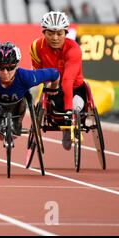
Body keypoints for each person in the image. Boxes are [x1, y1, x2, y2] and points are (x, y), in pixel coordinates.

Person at [0, 42, 60, 139]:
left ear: (17, 65)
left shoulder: (27, 77)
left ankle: (15, 125)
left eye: (10, 68)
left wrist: (54, 87)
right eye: (1, 67)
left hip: (17, 108)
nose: (5, 72)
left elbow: (54, 73)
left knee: (14, 135)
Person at [30, 11, 85, 150]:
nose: (55, 38)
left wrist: (68, 112)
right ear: (44, 32)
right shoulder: (36, 47)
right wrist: (47, 86)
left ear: (65, 33)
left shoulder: (74, 49)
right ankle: (63, 124)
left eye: (59, 34)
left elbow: (67, 80)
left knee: (76, 105)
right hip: (52, 87)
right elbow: (37, 73)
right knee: (51, 105)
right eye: (50, 33)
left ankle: (68, 126)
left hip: (74, 87)